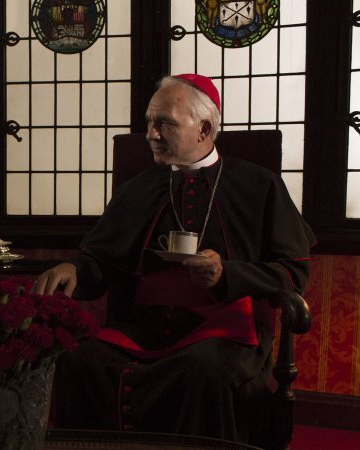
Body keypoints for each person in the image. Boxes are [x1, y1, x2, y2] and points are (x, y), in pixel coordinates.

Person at [34, 74, 315, 443]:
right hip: (140, 328)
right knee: (80, 361)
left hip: (223, 328)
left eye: (164, 123)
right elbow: (102, 260)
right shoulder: (138, 188)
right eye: (150, 122)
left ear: (204, 129)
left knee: (203, 371)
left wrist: (227, 274)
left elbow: (294, 272)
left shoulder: (259, 186)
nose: (151, 134)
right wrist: (75, 267)